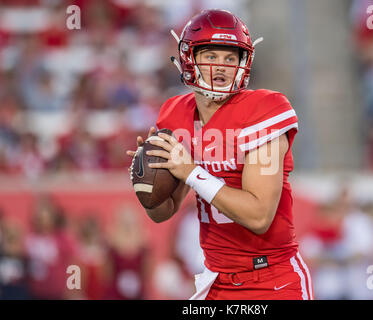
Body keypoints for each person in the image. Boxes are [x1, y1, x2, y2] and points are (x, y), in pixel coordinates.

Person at [126, 9, 313, 300]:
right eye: (211, 56)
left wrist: (191, 172)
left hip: (272, 280)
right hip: (216, 281)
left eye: (230, 57)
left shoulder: (264, 109)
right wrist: (147, 183)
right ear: (190, 57)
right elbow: (162, 213)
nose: (221, 67)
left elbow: (259, 215)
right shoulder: (175, 113)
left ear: (244, 62)